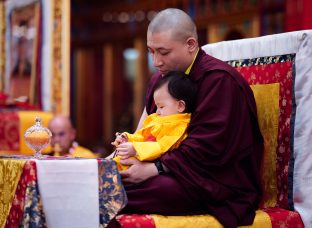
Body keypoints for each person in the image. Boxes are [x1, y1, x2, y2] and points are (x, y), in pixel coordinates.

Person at [113, 8, 264, 228]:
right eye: (151, 52)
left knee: (142, 190)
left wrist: (154, 169)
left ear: (191, 45)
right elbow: (144, 130)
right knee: (114, 180)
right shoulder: (160, 81)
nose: (156, 61)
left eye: (163, 52)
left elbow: (208, 148)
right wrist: (126, 155)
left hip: (213, 180)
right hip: (170, 168)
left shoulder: (219, 81)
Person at [112, 71, 197, 171]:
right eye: (157, 106)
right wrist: (128, 138)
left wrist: (136, 149)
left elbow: (161, 147)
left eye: (161, 106)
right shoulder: (158, 119)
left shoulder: (179, 126)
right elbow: (143, 137)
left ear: (180, 106)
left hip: (147, 165)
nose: (157, 111)